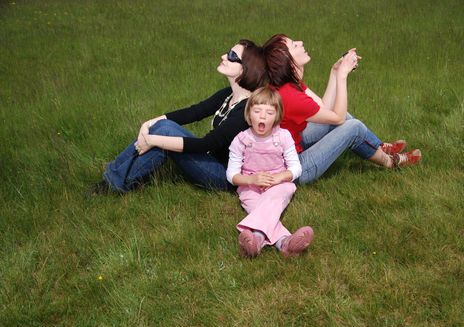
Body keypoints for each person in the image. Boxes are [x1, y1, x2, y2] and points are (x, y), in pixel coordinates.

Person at [87, 39, 267, 195]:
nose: (223, 56)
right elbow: (194, 112)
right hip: (209, 158)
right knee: (162, 126)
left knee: (164, 131)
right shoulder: (229, 94)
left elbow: (207, 144)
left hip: (224, 176)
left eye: (231, 56)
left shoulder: (248, 109)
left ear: (246, 69)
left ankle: (114, 183)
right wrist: (150, 122)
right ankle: (114, 177)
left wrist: (154, 140)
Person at [262, 34, 422, 185]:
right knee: (354, 127)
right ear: (287, 61)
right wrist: (342, 76)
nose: (301, 42)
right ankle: (391, 162)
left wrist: (335, 72)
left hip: (293, 145)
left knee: (345, 116)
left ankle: (378, 146)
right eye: (294, 45)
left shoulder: (288, 84)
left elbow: (324, 108)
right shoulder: (290, 96)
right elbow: (337, 118)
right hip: (296, 169)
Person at [226, 86, 314, 258]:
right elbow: (231, 175)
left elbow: (295, 167)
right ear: (249, 114)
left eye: (269, 113)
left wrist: (279, 178)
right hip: (250, 188)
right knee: (264, 211)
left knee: (270, 202)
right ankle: (285, 243)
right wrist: (251, 180)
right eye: (257, 111)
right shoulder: (241, 140)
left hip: (278, 186)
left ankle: (256, 239)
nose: (263, 117)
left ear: (277, 116)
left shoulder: (283, 136)